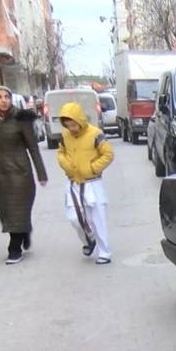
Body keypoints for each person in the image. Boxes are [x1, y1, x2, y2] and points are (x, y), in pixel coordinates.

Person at [0, 85, 48, 264]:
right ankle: (24, 231)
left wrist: (41, 173)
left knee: (18, 210)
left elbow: (33, 148)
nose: (4, 100)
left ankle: (14, 248)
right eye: (0, 97)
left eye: (7, 97)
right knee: (6, 213)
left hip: (20, 174)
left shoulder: (21, 119)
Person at [56, 102, 115, 264]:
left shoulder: (96, 134)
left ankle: (104, 252)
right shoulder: (65, 135)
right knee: (74, 218)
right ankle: (89, 240)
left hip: (92, 182)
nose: (71, 128)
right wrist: (66, 165)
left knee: (98, 218)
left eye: (73, 124)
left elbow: (108, 154)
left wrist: (92, 168)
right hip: (73, 182)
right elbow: (61, 152)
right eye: (68, 125)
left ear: (80, 120)